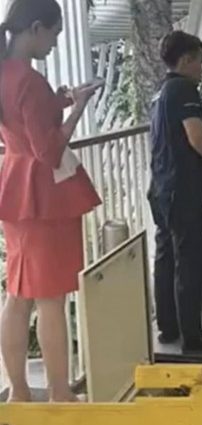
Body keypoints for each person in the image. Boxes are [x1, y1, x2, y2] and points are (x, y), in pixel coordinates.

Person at [0, 0, 101, 402]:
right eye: (55, 35)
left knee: (18, 294)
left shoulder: (6, 73)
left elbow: (26, 123)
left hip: (14, 186)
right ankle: (61, 393)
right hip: (43, 194)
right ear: (36, 28)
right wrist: (77, 109)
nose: (55, 44)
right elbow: (49, 151)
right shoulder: (30, 79)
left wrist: (59, 101)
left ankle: (19, 392)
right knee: (50, 298)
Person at [148, 30, 202, 353]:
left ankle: (168, 329)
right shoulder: (185, 89)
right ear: (185, 60)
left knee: (166, 257)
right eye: (200, 60)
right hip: (183, 191)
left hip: (160, 188)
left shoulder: (160, 93)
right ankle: (193, 336)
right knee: (189, 260)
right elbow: (197, 139)